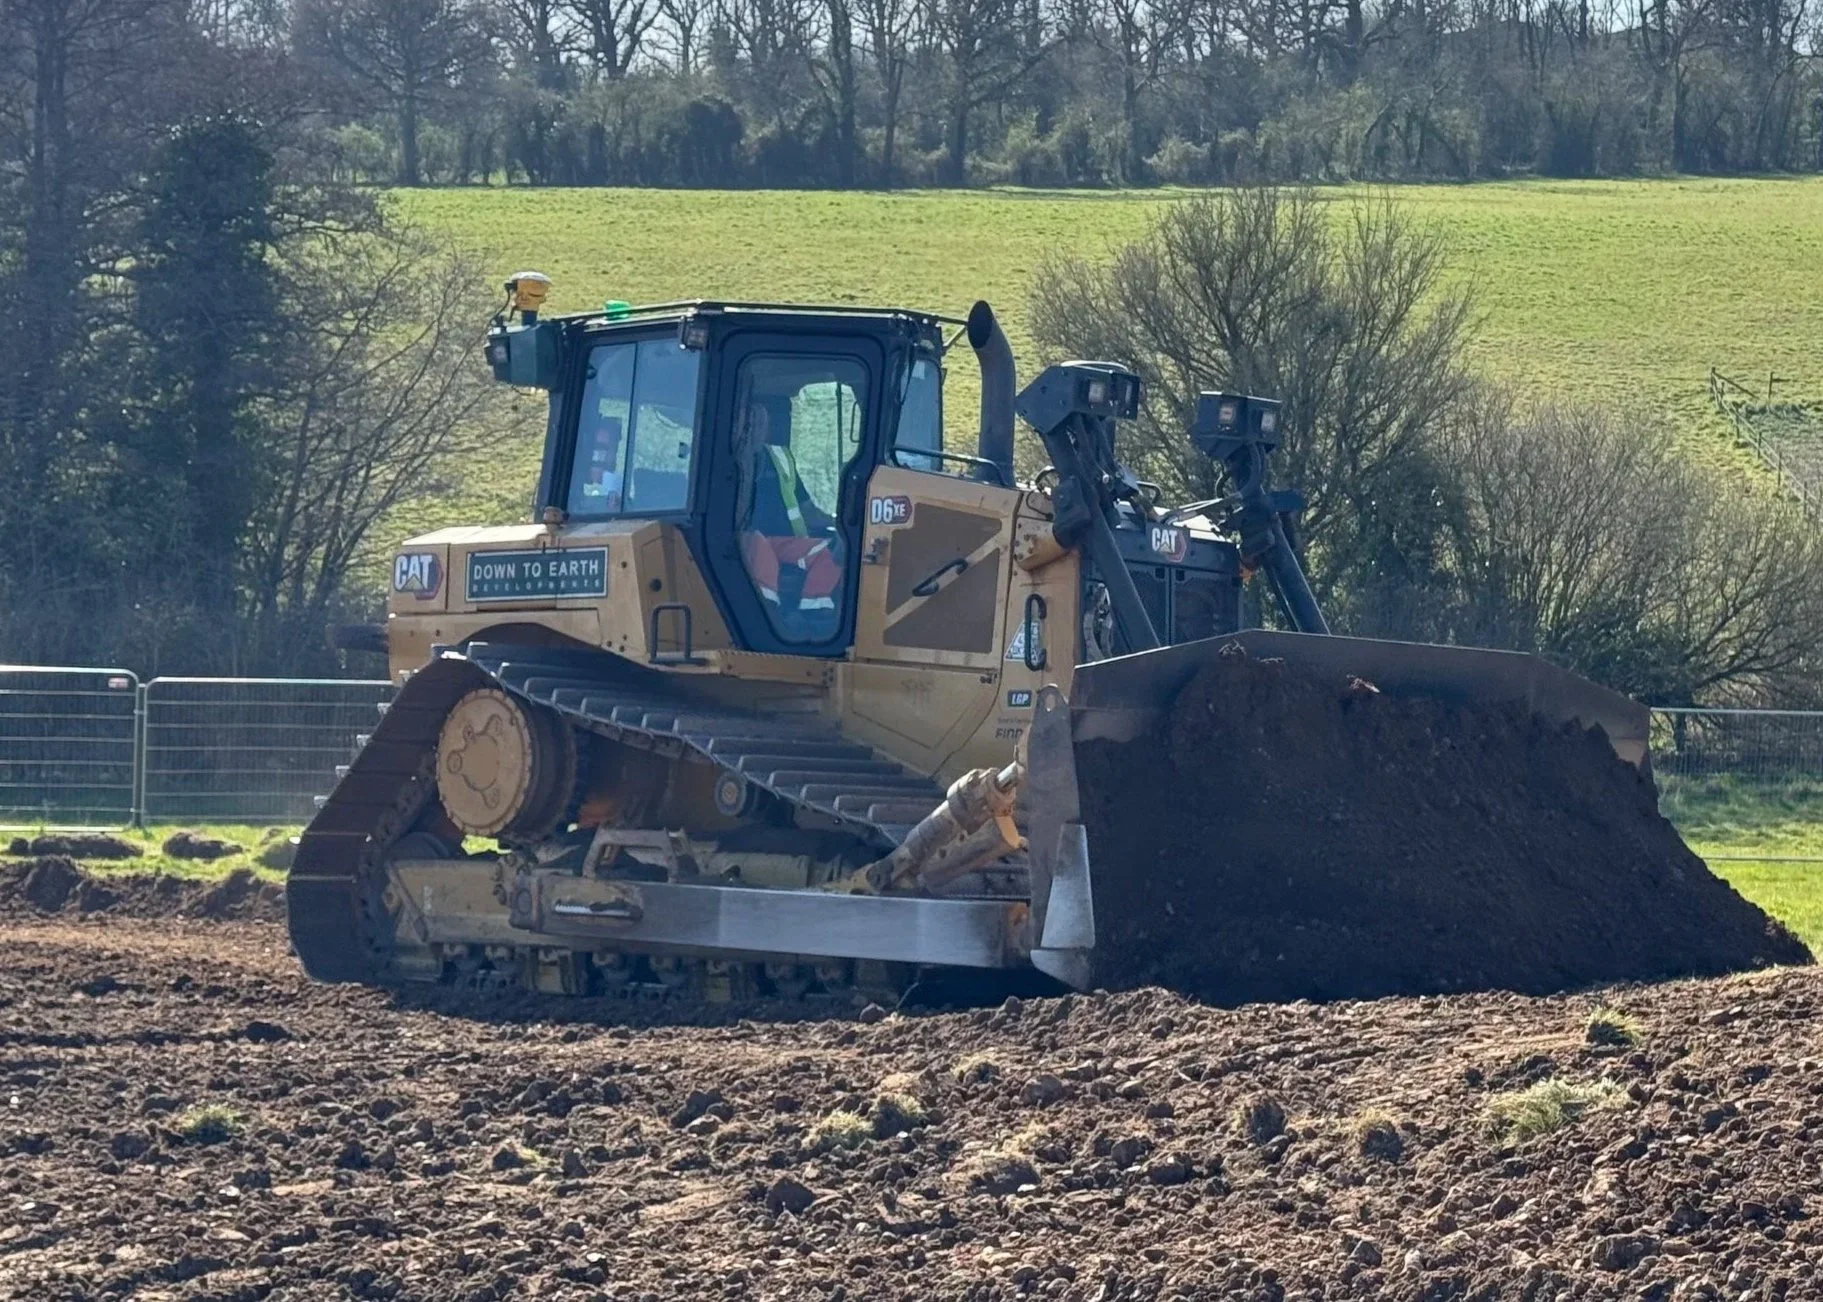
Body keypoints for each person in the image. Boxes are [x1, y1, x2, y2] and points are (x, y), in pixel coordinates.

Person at [740, 396, 843, 628]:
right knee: (760, 546)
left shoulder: (780, 458)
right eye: (751, 420)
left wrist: (843, 524)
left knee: (836, 548)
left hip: (785, 542)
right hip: (745, 539)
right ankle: (766, 615)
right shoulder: (726, 460)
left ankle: (813, 613)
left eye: (761, 421)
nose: (756, 426)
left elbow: (808, 510)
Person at [578, 412, 624, 511]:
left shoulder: (620, 489)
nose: (603, 456)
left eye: (612, 449)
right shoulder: (571, 499)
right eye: (599, 449)